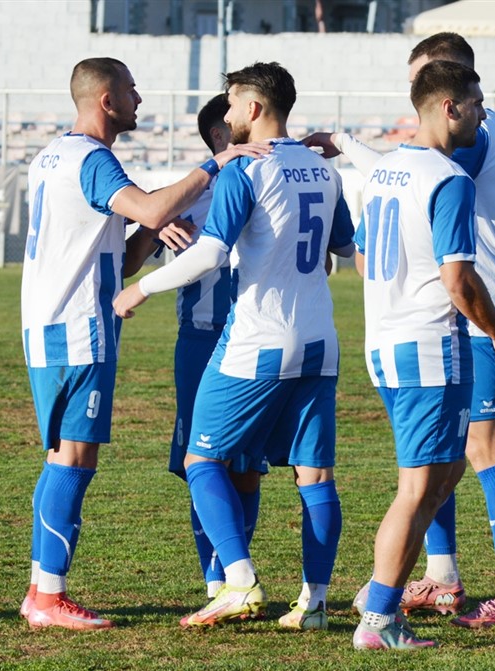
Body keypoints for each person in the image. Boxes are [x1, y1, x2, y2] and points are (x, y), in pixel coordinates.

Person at [19, 56, 265, 631]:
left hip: (52, 322)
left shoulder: (53, 155)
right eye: (131, 89)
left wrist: (154, 229)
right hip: (77, 324)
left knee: (64, 457)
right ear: (107, 100)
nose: (139, 99)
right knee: (73, 458)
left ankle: (41, 590)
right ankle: (48, 596)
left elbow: (125, 256)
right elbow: (152, 206)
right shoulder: (92, 158)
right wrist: (215, 164)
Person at [114, 61, 356, 628]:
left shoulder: (245, 170)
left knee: (201, 459)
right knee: (315, 475)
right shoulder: (325, 171)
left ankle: (239, 581)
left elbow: (209, 254)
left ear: (253, 107)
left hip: (258, 340)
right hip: (320, 341)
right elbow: (345, 247)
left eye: (230, 104)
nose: (225, 114)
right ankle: (316, 602)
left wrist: (139, 289)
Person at [350, 59, 495, 650]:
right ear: (450, 107)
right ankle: (379, 615)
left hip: (387, 343)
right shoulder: (449, 178)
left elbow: (362, 258)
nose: (483, 115)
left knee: (444, 475)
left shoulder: (387, 170)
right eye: (476, 104)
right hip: (430, 348)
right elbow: (459, 281)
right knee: (419, 488)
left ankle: (394, 596)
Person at [121, 94, 268, 608]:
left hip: (254, 337)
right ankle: (217, 581)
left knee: (246, 466)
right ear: (220, 137)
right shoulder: (187, 193)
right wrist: (153, 226)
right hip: (201, 341)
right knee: (200, 461)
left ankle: (231, 573)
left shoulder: (265, 182)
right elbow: (128, 264)